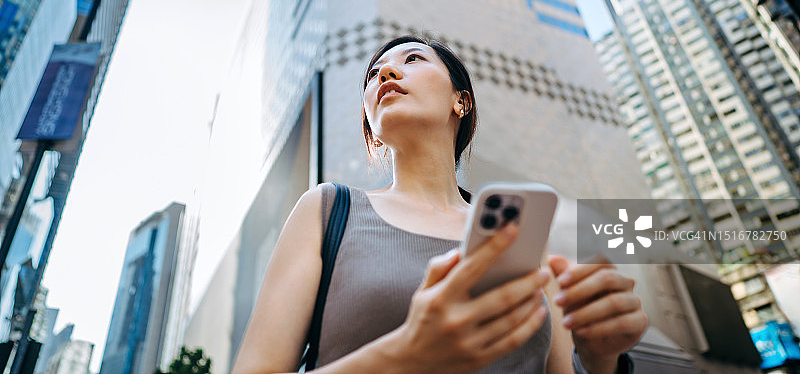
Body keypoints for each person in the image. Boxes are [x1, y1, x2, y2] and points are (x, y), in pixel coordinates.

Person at [232, 35, 647, 373]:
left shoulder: (519, 235)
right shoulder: (327, 210)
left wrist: (602, 360)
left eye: (413, 59)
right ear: (371, 126)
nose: (386, 74)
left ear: (460, 101)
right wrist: (405, 354)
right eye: (373, 75)